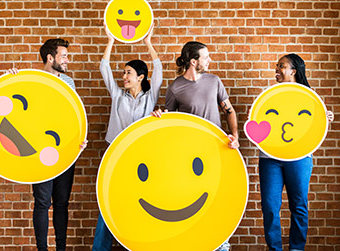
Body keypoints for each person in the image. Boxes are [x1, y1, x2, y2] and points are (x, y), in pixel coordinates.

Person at [152, 41, 239, 251]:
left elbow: (229, 111)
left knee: (216, 197)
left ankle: (221, 244)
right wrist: (158, 116)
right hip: (188, 156)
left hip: (215, 151)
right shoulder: (175, 88)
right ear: (194, 61)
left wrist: (235, 135)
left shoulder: (214, 81)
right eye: (206, 57)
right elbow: (170, 121)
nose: (210, 60)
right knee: (193, 199)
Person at [7, 38, 87, 251]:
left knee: (62, 203)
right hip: (38, 152)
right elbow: (16, 107)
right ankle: (42, 249)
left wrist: (79, 139)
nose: (67, 60)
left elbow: (72, 116)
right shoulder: (31, 80)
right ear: (50, 58)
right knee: (42, 202)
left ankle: (61, 248)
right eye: (64, 56)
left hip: (65, 150)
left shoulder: (69, 82)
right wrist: (11, 80)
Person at [92, 24, 163, 251]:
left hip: (142, 156)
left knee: (143, 202)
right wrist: (111, 40)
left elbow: (159, 69)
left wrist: (148, 42)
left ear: (140, 77)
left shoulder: (150, 97)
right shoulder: (117, 95)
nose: (123, 76)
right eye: (123, 72)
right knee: (109, 202)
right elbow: (104, 68)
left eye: (128, 72)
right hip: (116, 153)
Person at [258, 53, 334, 251]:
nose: (276, 69)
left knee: (299, 205)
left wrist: (324, 118)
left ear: (293, 70)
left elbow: (313, 129)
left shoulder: (309, 97)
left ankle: (297, 248)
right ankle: (275, 248)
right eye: (277, 66)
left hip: (299, 157)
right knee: (270, 207)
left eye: (281, 66)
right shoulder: (269, 96)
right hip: (270, 158)